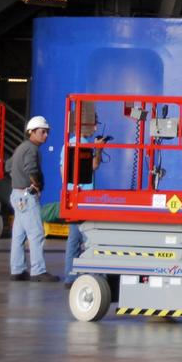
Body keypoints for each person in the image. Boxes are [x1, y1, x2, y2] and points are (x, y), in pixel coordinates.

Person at [8, 116, 59, 282]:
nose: (46, 135)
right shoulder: (31, 149)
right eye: (42, 132)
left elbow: (8, 166)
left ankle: (17, 270)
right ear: (31, 132)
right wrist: (37, 186)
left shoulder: (21, 148)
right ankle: (38, 271)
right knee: (36, 233)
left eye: (47, 132)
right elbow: (32, 170)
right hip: (27, 196)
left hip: (17, 195)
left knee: (19, 235)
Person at [62, 120, 107, 288]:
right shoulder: (82, 145)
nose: (95, 127)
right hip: (83, 199)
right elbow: (93, 165)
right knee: (92, 239)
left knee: (74, 240)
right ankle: (94, 275)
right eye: (93, 124)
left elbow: (63, 171)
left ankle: (70, 277)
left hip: (74, 197)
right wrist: (99, 149)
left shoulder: (69, 144)